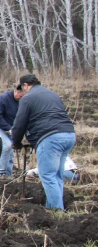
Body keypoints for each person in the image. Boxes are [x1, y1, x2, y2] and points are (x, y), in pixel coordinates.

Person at [11, 74, 76, 210]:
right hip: (69, 134)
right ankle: (54, 207)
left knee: (47, 175)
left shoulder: (27, 98)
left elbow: (19, 123)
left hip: (51, 138)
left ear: (25, 85)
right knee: (57, 175)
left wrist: (16, 142)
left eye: (22, 88)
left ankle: (56, 211)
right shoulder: (53, 94)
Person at [0, 84, 25, 177]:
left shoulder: (23, 101)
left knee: (11, 151)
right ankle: (0, 173)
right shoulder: (3, 98)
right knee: (7, 146)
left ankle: (8, 175)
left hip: (12, 128)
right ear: (16, 91)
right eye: (21, 96)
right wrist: (9, 128)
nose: (22, 98)